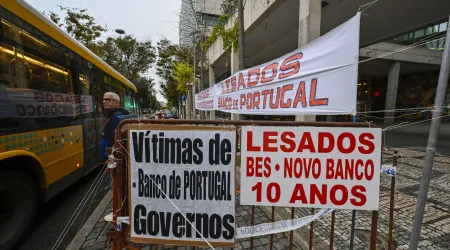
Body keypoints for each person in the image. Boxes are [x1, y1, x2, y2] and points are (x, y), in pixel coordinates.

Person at [99, 92, 129, 159]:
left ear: (116, 102)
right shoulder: (114, 114)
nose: (104, 102)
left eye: (107, 100)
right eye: (103, 100)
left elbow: (115, 139)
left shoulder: (117, 116)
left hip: (111, 157)